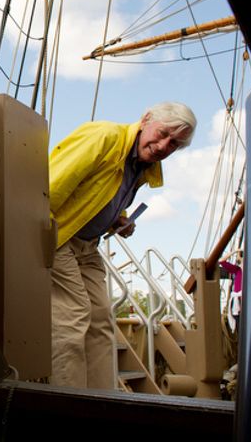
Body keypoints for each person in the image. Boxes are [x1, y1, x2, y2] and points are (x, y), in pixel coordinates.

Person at [49, 102, 196, 389]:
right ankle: (67, 400)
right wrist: (37, 233)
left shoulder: (142, 166)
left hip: (87, 245)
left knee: (102, 320)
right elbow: (49, 184)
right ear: (145, 120)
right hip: (59, 235)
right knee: (73, 316)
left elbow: (102, 193)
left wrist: (120, 219)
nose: (164, 145)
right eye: (163, 133)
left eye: (174, 144)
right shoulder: (104, 138)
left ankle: (101, 399)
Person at [219, 249, 243, 332]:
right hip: (237, 304)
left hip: (244, 302)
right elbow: (221, 261)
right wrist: (235, 251)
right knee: (240, 327)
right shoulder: (237, 270)